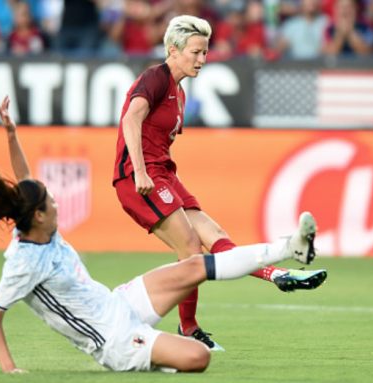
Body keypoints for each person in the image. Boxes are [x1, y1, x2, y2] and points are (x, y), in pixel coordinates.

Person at [0, 95, 328, 373]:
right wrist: (10, 370)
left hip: (120, 303)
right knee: (198, 358)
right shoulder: (23, 262)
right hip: (114, 341)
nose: (58, 206)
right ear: (38, 216)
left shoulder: (38, 225)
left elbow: (24, 182)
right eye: (52, 204)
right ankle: (152, 355)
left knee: (195, 263)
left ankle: (290, 248)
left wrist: (10, 133)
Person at [113, 14, 316, 351]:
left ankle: (275, 275)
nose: (202, 60)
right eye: (195, 52)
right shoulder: (156, 78)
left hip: (165, 174)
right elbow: (131, 119)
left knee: (216, 239)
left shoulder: (179, 93)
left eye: (205, 52)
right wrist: (141, 170)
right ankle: (182, 329)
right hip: (140, 177)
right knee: (191, 251)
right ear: (173, 50)